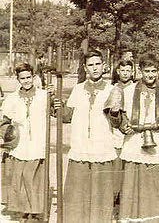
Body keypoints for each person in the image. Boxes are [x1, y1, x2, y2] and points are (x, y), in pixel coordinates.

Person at [109, 53, 159, 222]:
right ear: (139, 71)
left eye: (154, 71)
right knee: (132, 183)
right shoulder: (129, 90)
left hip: (157, 142)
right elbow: (118, 117)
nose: (150, 75)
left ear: (158, 71)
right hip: (134, 142)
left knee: (156, 184)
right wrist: (120, 120)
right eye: (147, 71)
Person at [60, 49, 116, 223]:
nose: (94, 68)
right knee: (77, 191)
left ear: (104, 66)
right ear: (85, 67)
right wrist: (56, 106)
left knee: (101, 192)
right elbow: (67, 116)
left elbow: (118, 121)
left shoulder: (112, 90)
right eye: (90, 65)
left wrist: (115, 112)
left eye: (97, 64)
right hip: (81, 146)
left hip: (102, 146)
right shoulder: (77, 89)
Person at [0, 63, 50, 221]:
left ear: (34, 77)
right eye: (23, 78)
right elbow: (5, 121)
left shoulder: (43, 95)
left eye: (29, 77)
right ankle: (23, 210)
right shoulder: (12, 98)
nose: (26, 81)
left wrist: (54, 96)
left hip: (38, 142)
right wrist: (8, 134)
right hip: (20, 144)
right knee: (20, 177)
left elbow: (56, 111)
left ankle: (36, 211)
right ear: (18, 79)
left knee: (33, 177)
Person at [110, 60, 135, 208]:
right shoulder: (113, 88)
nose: (125, 73)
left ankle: (127, 196)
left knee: (129, 165)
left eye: (128, 70)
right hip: (116, 131)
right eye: (122, 70)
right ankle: (115, 195)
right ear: (118, 71)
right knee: (116, 164)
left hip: (131, 129)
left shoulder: (136, 88)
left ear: (132, 72)